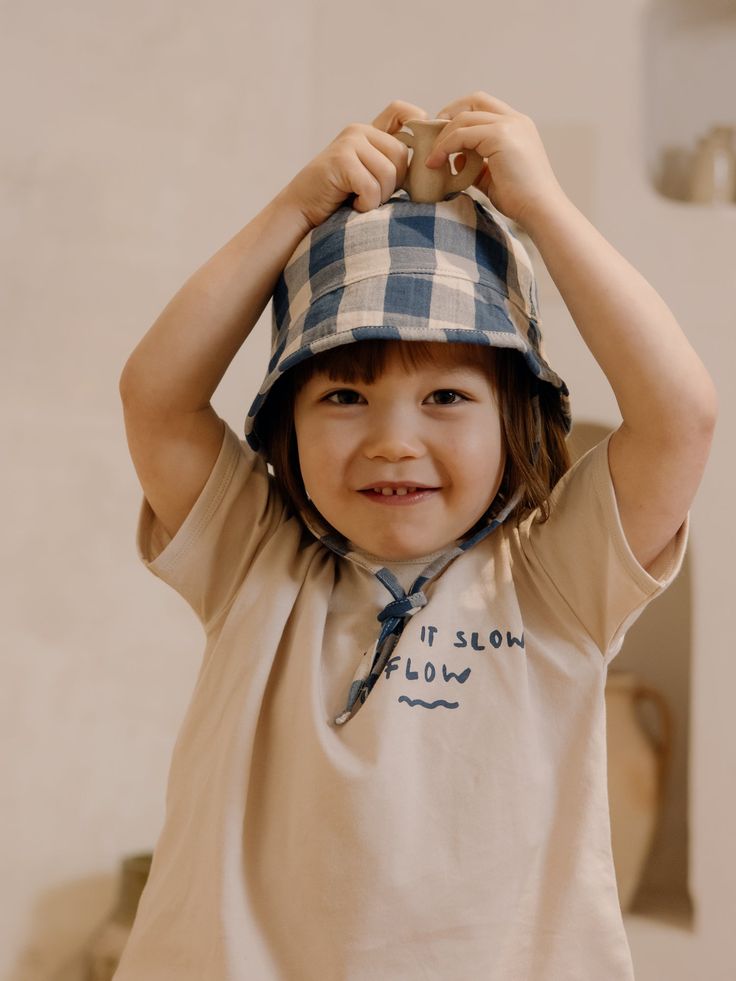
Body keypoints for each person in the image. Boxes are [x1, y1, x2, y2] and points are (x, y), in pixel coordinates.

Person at [116, 91, 716, 980]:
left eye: (446, 396)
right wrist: (293, 210)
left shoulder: (554, 578)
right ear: (286, 420)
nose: (394, 439)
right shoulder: (256, 560)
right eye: (345, 395)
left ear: (515, 417)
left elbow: (681, 417)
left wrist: (544, 210)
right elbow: (156, 399)